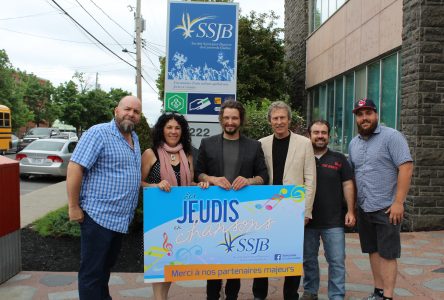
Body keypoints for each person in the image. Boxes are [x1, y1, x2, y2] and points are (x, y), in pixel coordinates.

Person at [66, 95, 142, 300]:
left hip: (119, 219)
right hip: (97, 216)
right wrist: (73, 206)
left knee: (104, 269)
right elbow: (75, 167)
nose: (131, 114)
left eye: (136, 112)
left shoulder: (133, 138)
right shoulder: (98, 133)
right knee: (92, 272)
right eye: (127, 109)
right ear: (116, 111)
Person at [195, 99, 269, 300]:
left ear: (241, 120)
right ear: (221, 119)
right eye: (226, 117)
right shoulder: (207, 143)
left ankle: (232, 297)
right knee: (213, 260)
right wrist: (210, 179)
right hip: (213, 213)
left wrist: (249, 180)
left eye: (234, 118)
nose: (230, 121)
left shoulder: (254, 146)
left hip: (241, 213)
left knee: (235, 259)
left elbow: (264, 177)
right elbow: (198, 173)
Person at [348, 98, 413, 300]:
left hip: (387, 208)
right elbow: (353, 175)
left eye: (368, 113)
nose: (364, 118)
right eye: (360, 114)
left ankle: (388, 296)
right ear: (356, 118)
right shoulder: (353, 144)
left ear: (376, 114)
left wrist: (398, 202)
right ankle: (378, 291)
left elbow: (406, 166)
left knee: (387, 253)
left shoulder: (392, 137)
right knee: (373, 251)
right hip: (365, 207)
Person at [141, 112, 208, 300]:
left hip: (181, 219)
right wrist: (155, 185)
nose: (173, 131)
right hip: (159, 218)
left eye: (177, 128)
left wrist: (200, 185)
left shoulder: (187, 154)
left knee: (171, 262)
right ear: (162, 130)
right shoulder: (150, 153)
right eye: (169, 127)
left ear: (182, 131)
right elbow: (137, 182)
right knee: (159, 262)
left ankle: (163, 297)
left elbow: (188, 184)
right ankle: (159, 298)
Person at [254, 101, 316, 300]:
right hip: (267, 209)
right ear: (270, 121)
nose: (279, 122)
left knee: (292, 255)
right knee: (262, 252)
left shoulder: (305, 143)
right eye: (275, 118)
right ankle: (259, 295)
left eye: (282, 118)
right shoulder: (261, 144)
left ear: (289, 120)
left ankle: (291, 295)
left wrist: (306, 211)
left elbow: (310, 179)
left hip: (293, 209)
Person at [300, 120, 356, 300]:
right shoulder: (302, 157)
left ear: (329, 136)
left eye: (324, 133)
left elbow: (348, 184)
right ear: (309, 135)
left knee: (337, 262)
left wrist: (350, 211)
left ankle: (337, 295)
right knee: (308, 260)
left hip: (333, 221)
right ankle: (310, 291)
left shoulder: (339, 159)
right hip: (307, 220)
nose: (320, 136)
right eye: (316, 132)